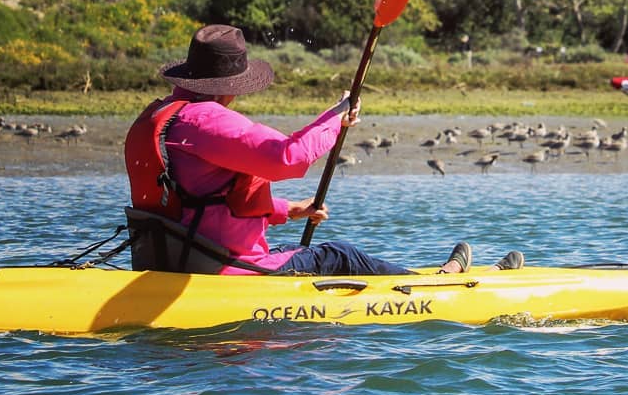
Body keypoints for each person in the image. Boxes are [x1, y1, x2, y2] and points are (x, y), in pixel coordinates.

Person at [126, 25, 522, 276]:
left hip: (177, 258)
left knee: (304, 254)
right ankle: (434, 283)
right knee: (338, 255)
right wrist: (335, 119)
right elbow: (288, 157)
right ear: (230, 83)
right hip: (223, 267)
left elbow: (206, 194)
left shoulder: (160, 116)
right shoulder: (207, 120)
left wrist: (290, 210)